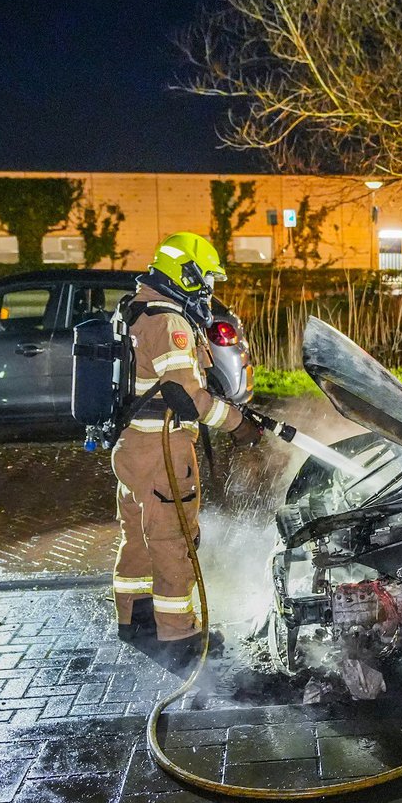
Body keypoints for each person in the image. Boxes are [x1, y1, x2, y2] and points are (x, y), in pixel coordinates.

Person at [113, 231, 263, 651]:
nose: (211, 290)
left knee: (138, 536)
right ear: (188, 273)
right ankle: (180, 637)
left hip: (130, 446)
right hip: (162, 446)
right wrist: (238, 425)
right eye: (207, 279)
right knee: (174, 540)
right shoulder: (169, 322)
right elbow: (189, 398)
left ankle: (135, 620)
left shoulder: (135, 307)